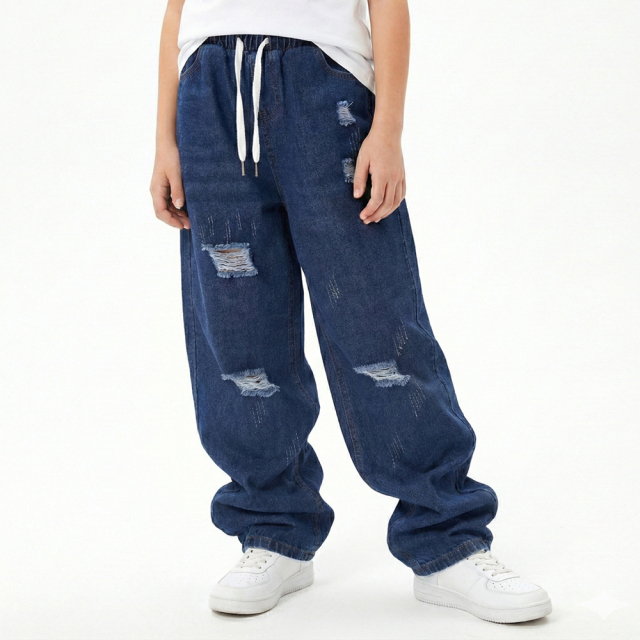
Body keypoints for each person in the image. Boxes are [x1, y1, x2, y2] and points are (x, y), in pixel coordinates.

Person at [150, 0, 552, 624]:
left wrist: (386, 130)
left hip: (322, 89)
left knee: (377, 325)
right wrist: (165, 139)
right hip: (207, 95)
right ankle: (272, 531)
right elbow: (178, 10)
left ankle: (446, 540)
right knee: (238, 334)